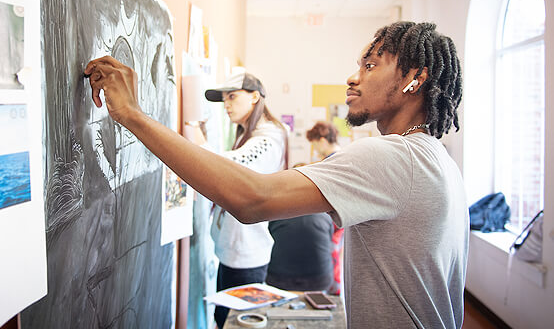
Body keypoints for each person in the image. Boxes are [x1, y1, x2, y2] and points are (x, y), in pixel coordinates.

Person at [85, 21, 468, 328]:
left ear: (414, 79)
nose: (353, 78)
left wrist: (133, 115)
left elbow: (252, 199)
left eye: (370, 66)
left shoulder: (393, 156)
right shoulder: (438, 159)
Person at [202, 71, 288, 328]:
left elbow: (230, 168)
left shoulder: (268, 136)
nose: (226, 105)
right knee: (224, 319)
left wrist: (197, 142)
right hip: (233, 250)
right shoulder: (246, 133)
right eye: (224, 99)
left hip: (246, 254)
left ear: (254, 97)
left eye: (232, 97)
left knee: (235, 323)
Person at [265, 162, 335, 292]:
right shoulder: (325, 209)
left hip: (278, 279)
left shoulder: (274, 208)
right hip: (319, 280)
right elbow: (330, 239)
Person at [306, 121, 344, 295]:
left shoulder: (331, 161)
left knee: (331, 256)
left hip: (334, 219)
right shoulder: (344, 155)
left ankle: (333, 294)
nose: (314, 149)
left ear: (321, 140)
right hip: (342, 216)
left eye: (314, 144)